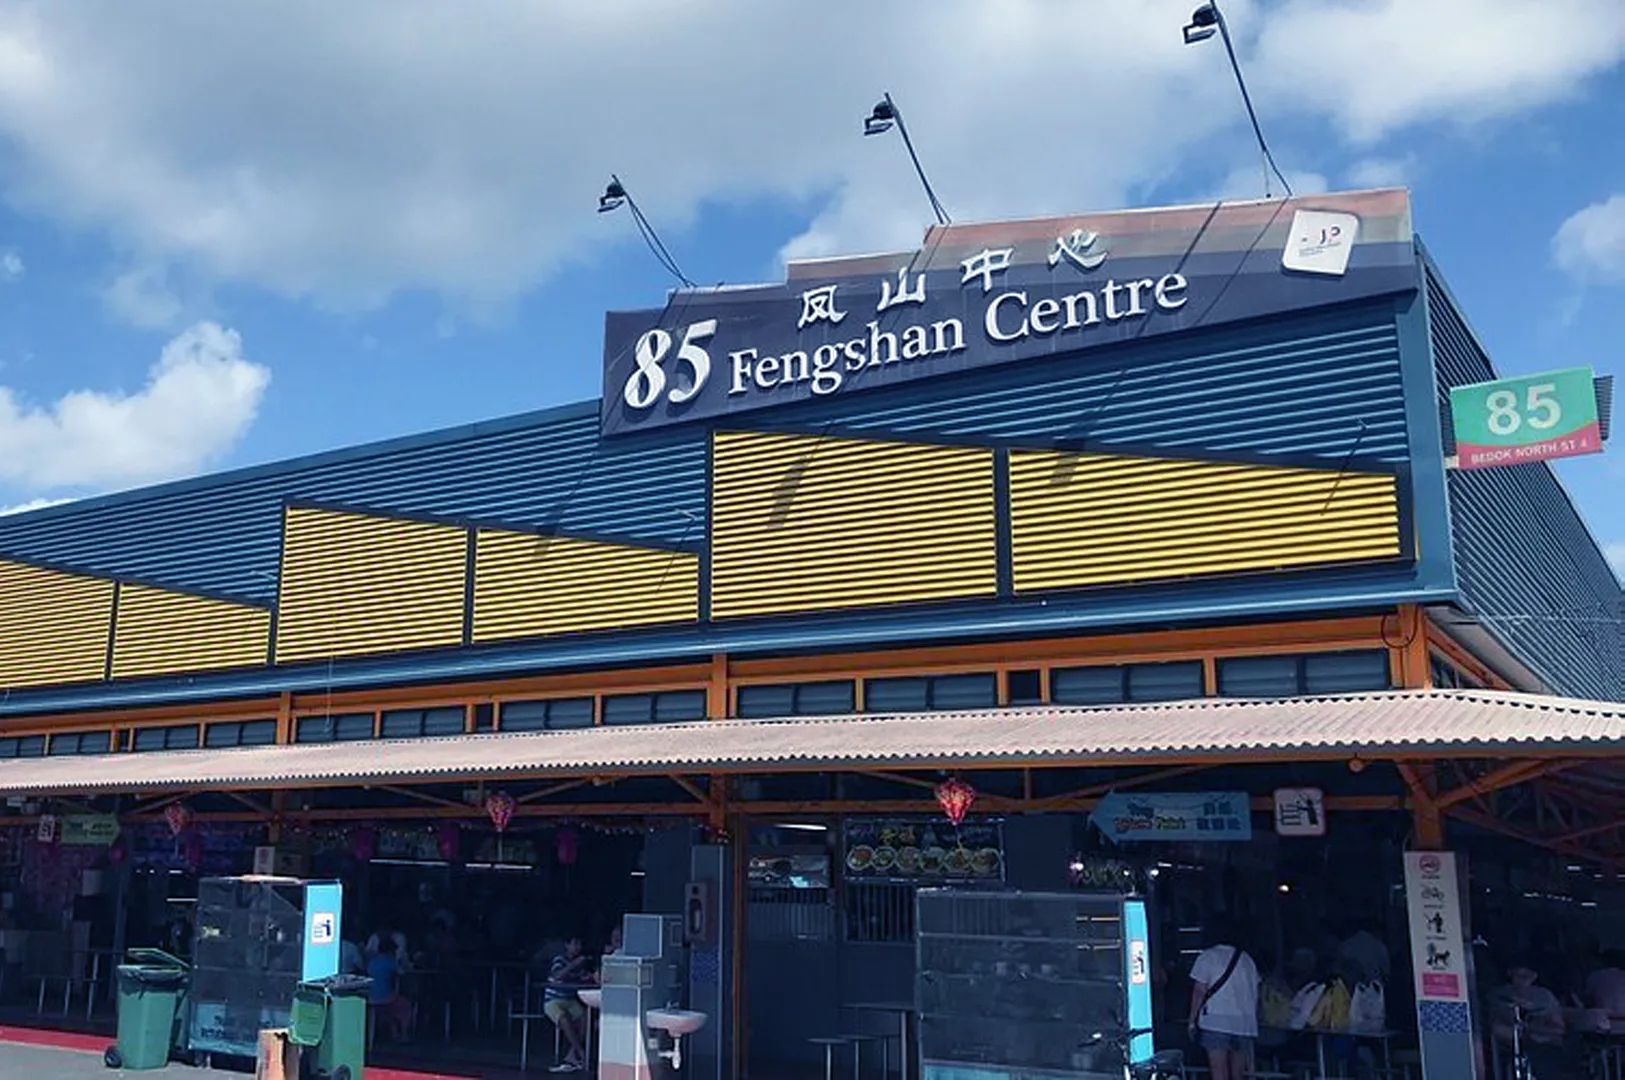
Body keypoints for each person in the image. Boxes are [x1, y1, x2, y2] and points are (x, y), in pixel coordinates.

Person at [1189, 925, 1260, 1080]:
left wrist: (1192, 1020)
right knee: (1238, 1074)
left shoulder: (1207, 957)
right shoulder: (1247, 960)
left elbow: (1199, 991)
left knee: (1219, 1071)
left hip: (1215, 1022)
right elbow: (1255, 994)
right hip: (1244, 1024)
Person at [1492, 961, 1569, 1080]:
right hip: (1510, 1048)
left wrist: (1533, 1027)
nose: (1521, 981)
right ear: (1510, 974)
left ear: (1534, 977)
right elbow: (1494, 1025)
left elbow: (1559, 1029)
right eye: (1518, 976)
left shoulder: (1545, 996)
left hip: (1545, 1049)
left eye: (1526, 977)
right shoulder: (1499, 995)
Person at [546, 936, 592, 1072]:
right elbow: (556, 975)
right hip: (553, 1000)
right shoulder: (559, 960)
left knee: (585, 1018)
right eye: (575, 943)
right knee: (564, 1019)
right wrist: (573, 965)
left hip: (570, 999)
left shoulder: (582, 963)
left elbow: (583, 978)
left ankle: (572, 1054)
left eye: (580, 944)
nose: (578, 947)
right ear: (567, 945)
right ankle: (581, 1052)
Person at [367, 938, 414, 1041]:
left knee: (386, 1011)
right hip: (386, 997)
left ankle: (394, 1032)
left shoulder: (372, 961)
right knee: (406, 1007)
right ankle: (404, 1034)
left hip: (370, 996)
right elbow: (402, 973)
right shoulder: (390, 961)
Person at [1585, 952, 1625, 1017]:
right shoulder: (1596, 976)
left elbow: (1588, 1002)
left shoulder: (1595, 976)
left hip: (1602, 1019)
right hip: (1604, 1019)